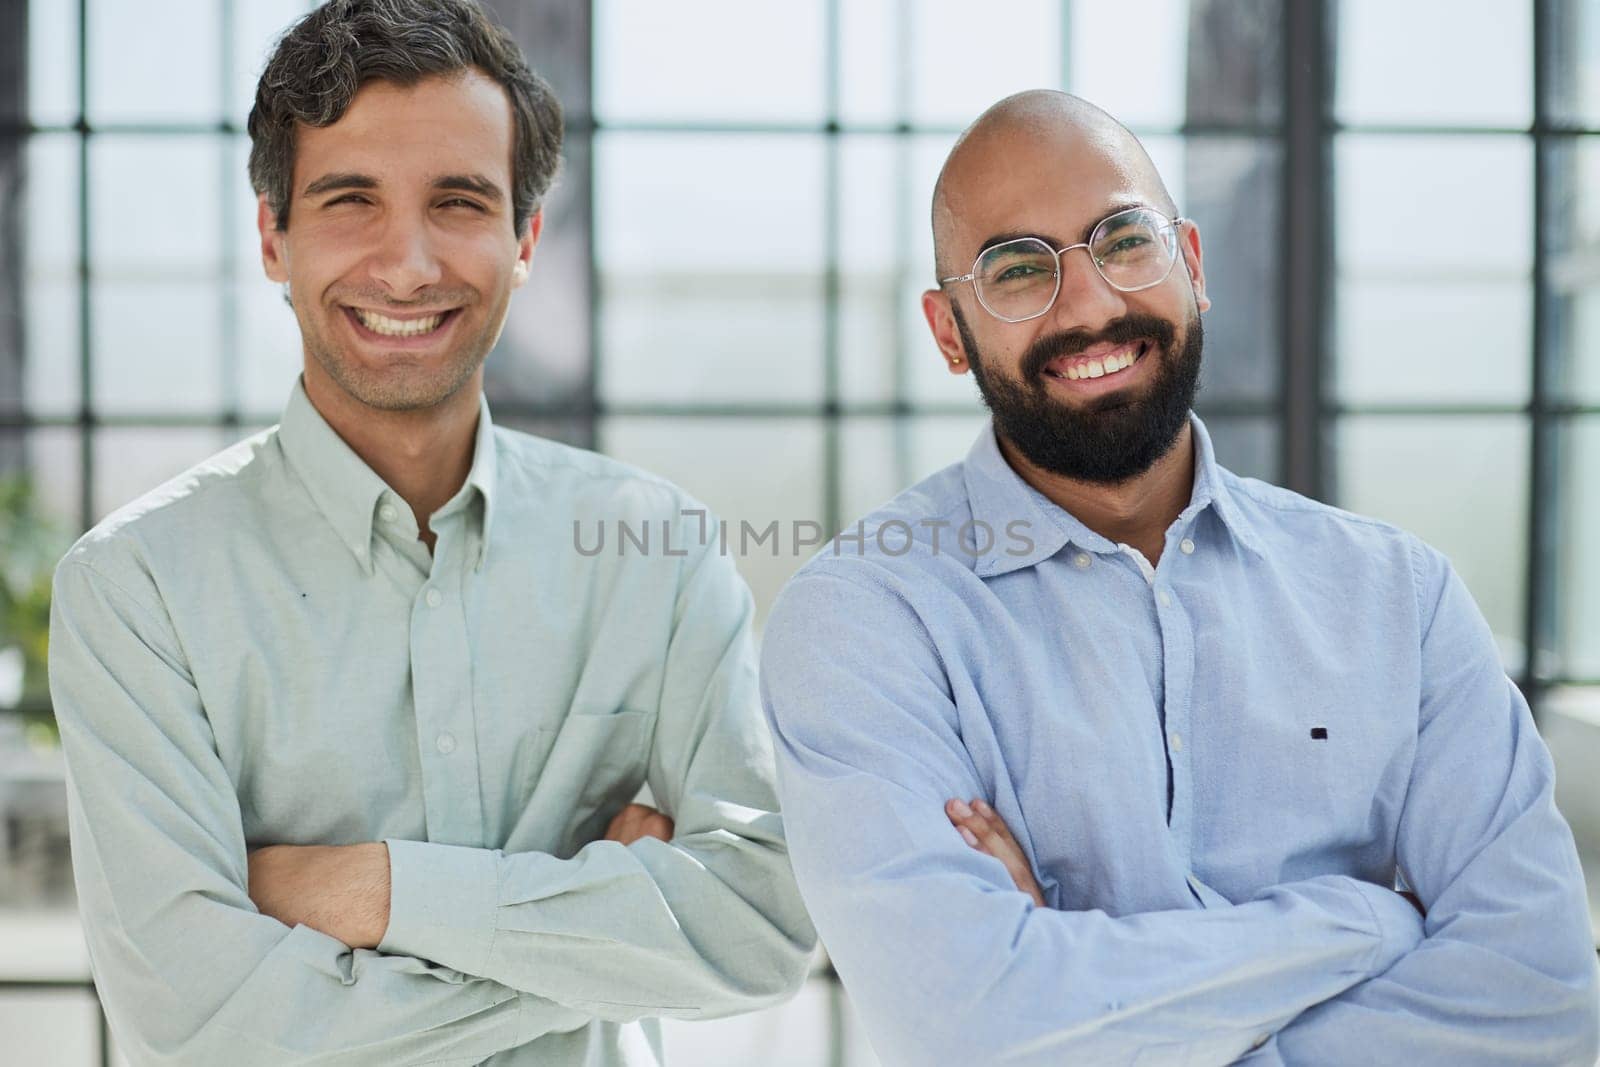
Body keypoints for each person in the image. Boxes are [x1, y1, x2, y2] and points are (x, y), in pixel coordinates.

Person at [759, 89, 1599, 1066]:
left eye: (1123, 240)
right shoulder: (863, 617)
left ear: (1189, 264)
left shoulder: (1400, 598)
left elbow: (1539, 1002)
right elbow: (966, 1018)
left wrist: (1078, 1003)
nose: (1090, 304)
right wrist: (1365, 922)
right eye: (1018, 268)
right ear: (949, 331)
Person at [47, 2, 813, 1063]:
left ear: (526, 238)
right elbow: (204, 1026)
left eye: (458, 201)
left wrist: (375, 888)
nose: (405, 265)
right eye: (349, 199)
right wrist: (594, 933)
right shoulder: (137, 588)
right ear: (274, 236)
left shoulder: (659, 550)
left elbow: (767, 923)